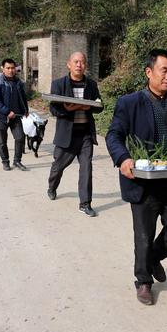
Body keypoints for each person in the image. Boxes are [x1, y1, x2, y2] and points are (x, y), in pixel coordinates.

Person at [106, 48, 167, 305]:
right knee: (144, 235)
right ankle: (143, 281)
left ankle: (152, 258)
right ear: (149, 72)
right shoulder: (130, 103)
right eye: (164, 70)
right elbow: (113, 135)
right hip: (143, 181)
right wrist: (123, 159)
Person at [46, 51, 103, 217]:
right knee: (59, 165)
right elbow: (53, 108)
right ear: (68, 64)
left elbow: (100, 106)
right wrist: (68, 109)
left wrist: (90, 107)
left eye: (82, 62)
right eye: (76, 62)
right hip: (67, 135)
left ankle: (85, 204)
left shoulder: (91, 85)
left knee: (86, 168)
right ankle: (52, 187)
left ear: (85, 65)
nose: (79, 65)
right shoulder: (58, 84)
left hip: (85, 134)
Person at [0, 58, 29, 171]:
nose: (11, 70)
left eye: (13, 68)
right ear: (3, 69)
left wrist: (25, 109)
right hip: (2, 117)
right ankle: (5, 161)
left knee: (20, 137)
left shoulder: (18, 82)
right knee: (3, 141)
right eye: (8, 68)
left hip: (16, 116)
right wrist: (7, 111)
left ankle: (17, 161)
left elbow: (23, 97)